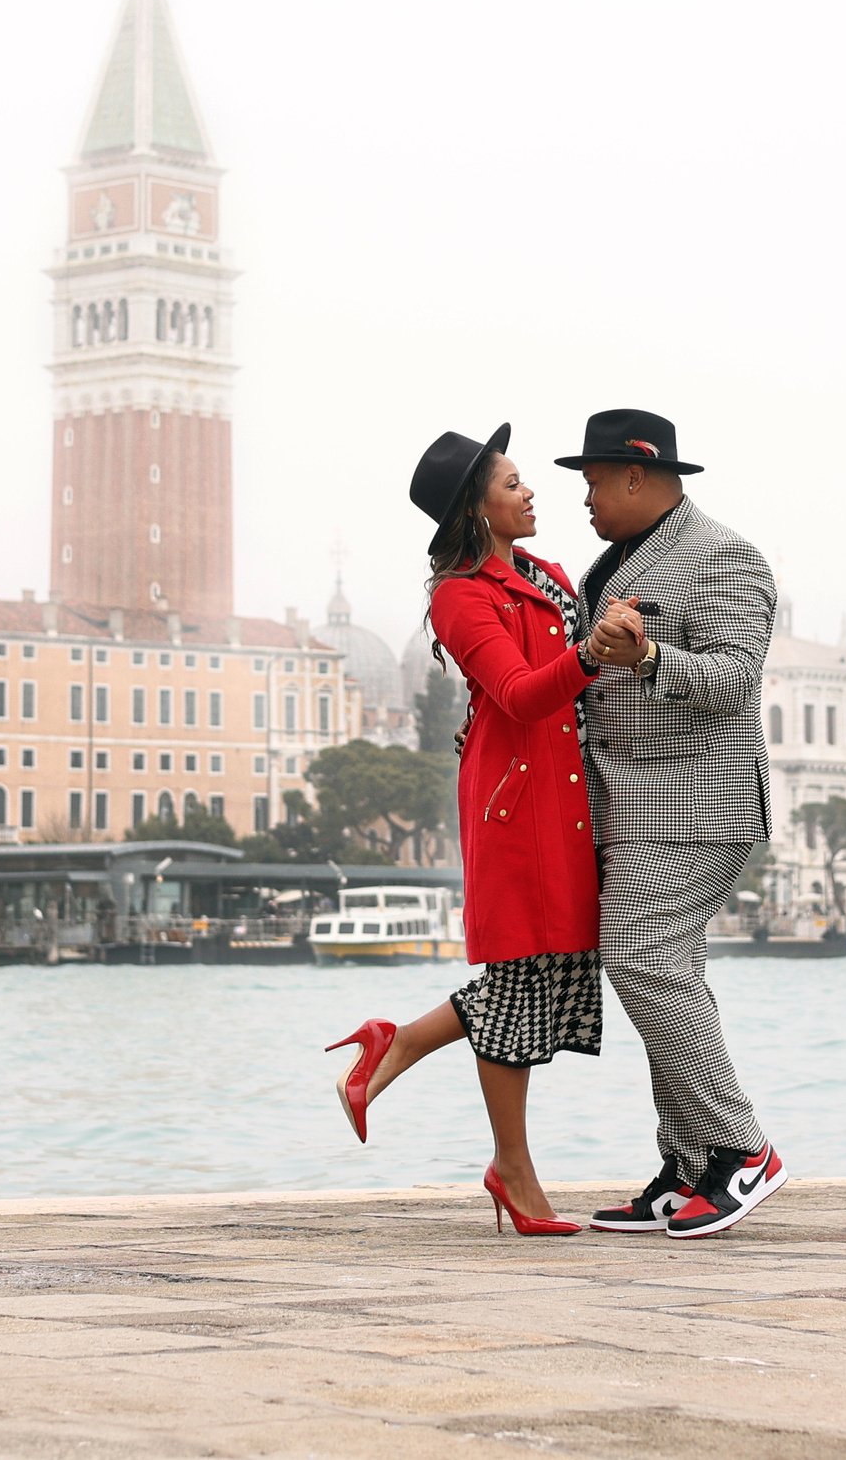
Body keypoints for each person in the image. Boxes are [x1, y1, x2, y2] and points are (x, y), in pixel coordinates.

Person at [324, 424, 643, 1237]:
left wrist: (617, 636)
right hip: (515, 809)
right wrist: (592, 653)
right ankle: (513, 1170)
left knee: (533, 979)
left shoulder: (547, 574)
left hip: (565, 799)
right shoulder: (459, 596)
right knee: (517, 979)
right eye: (512, 483)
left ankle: (396, 1045)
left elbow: (573, 678)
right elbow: (520, 693)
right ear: (476, 508)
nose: (530, 492)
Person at [553, 409, 789, 1240]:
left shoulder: (725, 555)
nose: (584, 499)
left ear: (634, 474)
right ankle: (690, 1166)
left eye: (592, 482)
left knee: (641, 957)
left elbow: (733, 679)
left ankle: (741, 1148)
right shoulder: (611, 563)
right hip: (629, 802)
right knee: (666, 969)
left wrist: (650, 657)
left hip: (695, 803)